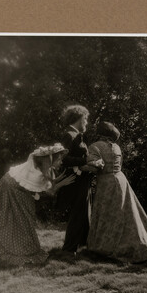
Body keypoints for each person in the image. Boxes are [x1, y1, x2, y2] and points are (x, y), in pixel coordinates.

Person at [0, 144, 75, 267]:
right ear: (51, 159)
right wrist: (63, 183)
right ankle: (11, 246)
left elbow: (48, 183)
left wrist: (58, 180)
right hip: (10, 187)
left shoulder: (43, 167)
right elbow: (50, 192)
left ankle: (17, 243)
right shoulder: (37, 173)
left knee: (22, 216)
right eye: (59, 159)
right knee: (16, 217)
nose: (61, 162)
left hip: (14, 186)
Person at [84, 121, 147, 263]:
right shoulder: (116, 147)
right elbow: (119, 165)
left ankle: (106, 246)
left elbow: (95, 168)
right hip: (121, 180)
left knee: (108, 213)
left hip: (106, 182)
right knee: (126, 212)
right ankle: (138, 242)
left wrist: (82, 167)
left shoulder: (95, 146)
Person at [59, 104, 92, 261]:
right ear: (79, 118)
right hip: (75, 181)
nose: (86, 122)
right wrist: (86, 160)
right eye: (85, 119)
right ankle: (68, 249)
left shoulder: (77, 135)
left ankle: (84, 244)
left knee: (84, 212)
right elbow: (63, 159)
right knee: (78, 213)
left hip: (82, 179)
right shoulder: (69, 135)